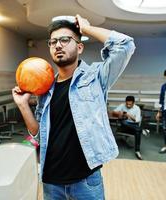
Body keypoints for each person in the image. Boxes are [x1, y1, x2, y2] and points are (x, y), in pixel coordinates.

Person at [12, 15, 135, 199]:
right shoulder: (46, 89)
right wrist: (23, 106)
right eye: (53, 42)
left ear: (79, 47)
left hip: (85, 181)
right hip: (51, 182)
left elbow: (125, 45)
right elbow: (39, 134)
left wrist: (86, 28)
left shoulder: (95, 77)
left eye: (64, 40)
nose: (58, 45)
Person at [112, 96, 143, 160]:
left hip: (133, 126)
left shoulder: (137, 108)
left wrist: (129, 116)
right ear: (125, 102)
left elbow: (137, 120)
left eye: (130, 104)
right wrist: (120, 113)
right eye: (127, 104)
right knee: (124, 122)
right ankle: (141, 130)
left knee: (137, 131)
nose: (128, 105)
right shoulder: (122, 105)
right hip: (124, 126)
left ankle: (137, 151)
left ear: (133, 103)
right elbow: (113, 112)